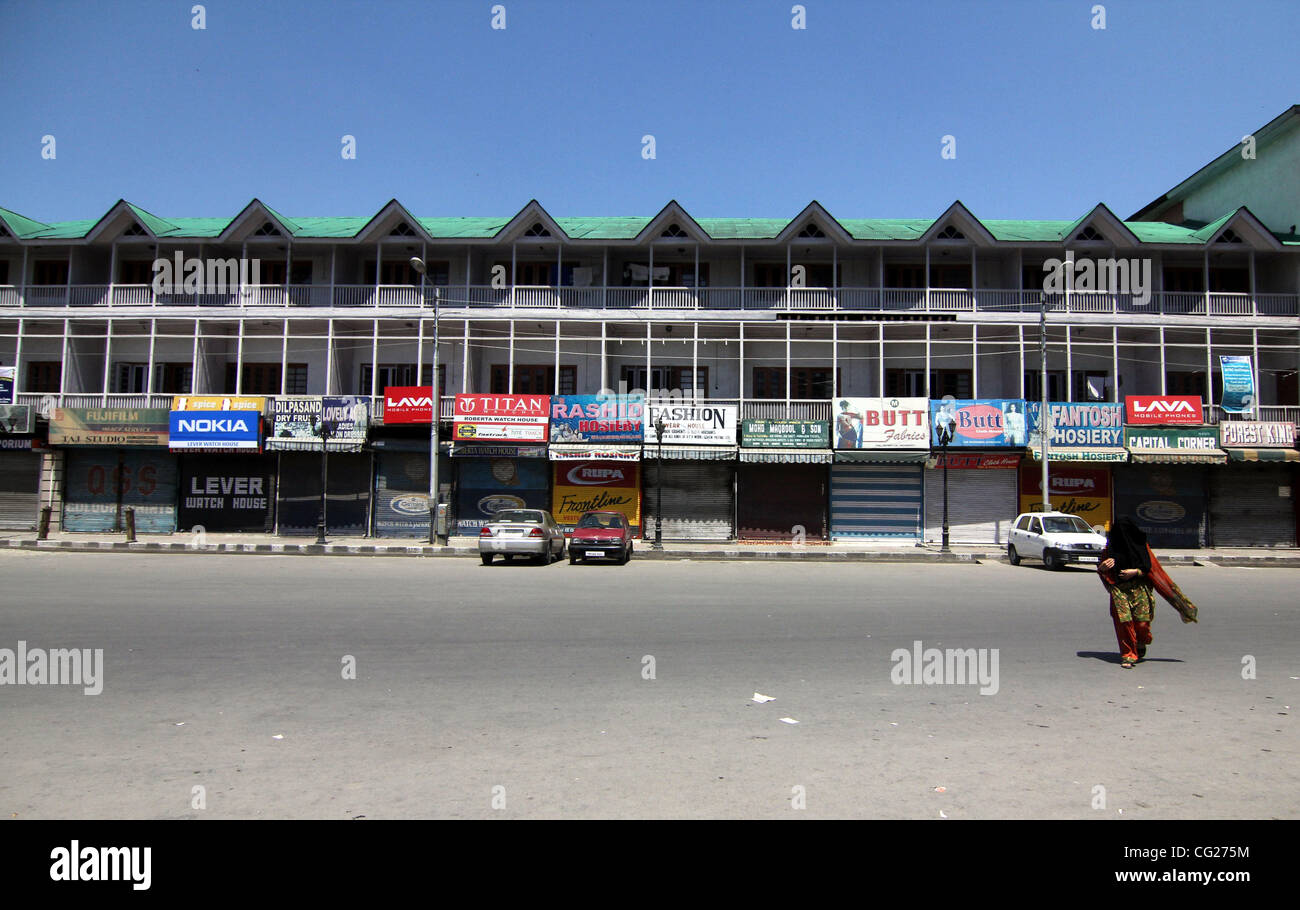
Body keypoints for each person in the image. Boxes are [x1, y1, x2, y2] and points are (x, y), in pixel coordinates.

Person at [1098, 517, 1198, 668]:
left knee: (1142, 624)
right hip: (1119, 590)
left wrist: (1135, 572)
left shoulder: (1141, 547)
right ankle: (1128, 655)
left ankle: (1140, 642)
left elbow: (1148, 568)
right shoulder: (1109, 549)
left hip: (1139, 588)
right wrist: (1102, 569)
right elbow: (1102, 571)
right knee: (1123, 623)